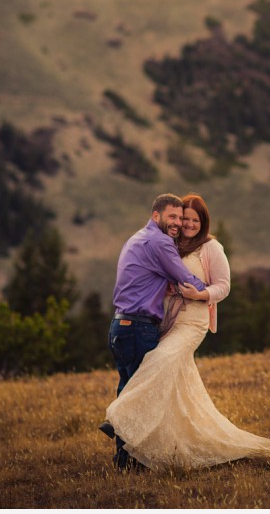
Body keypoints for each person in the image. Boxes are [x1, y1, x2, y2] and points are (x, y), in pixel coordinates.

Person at [100, 193, 270, 470]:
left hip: (193, 322)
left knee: (156, 363)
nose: (187, 223)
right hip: (166, 323)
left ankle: (119, 418)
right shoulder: (168, 244)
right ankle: (166, 448)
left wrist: (199, 294)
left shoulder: (211, 247)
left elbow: (223, 286)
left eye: (194, 219)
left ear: (203, 222)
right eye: (184, 218)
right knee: (176, 390)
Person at [106, 193, 208, 470]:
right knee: (146, 396)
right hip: (139, 328)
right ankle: (133, 453)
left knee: (130, 389)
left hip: (119, 325)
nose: (177, 223)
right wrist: (208, 291)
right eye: (172, 217)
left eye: (180, 217)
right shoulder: (160, 241)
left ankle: (123, 460)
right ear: (156, 216)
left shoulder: (137, 238)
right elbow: (186, 277)